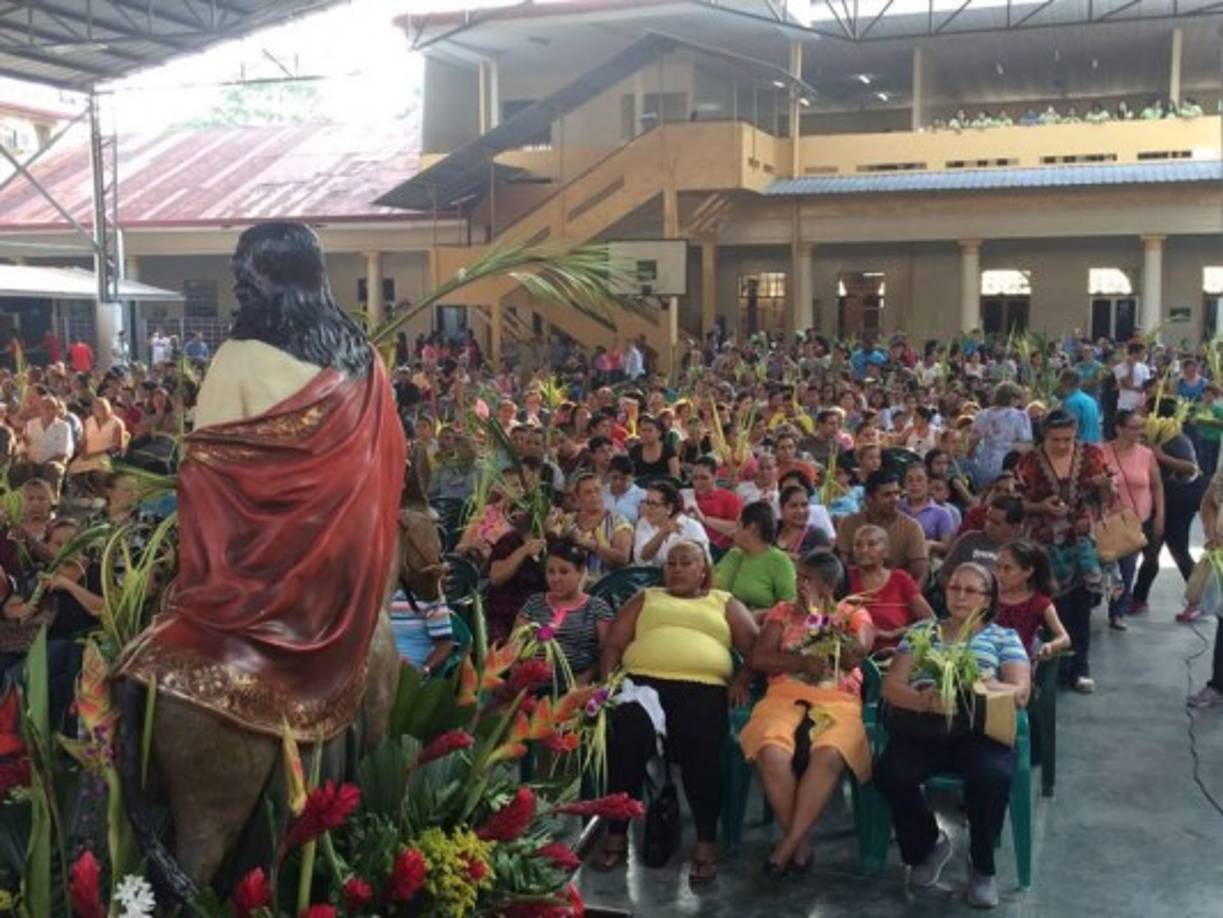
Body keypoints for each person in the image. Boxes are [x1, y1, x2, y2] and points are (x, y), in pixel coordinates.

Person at [597, 541, 758, 880]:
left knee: (701, 748)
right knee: (625, 740)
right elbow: (614, 642)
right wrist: (607, 684)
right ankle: (615, 833)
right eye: (671, 563)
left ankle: (705, 839)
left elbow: (755, 646)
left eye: (687, 562)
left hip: (702, 687)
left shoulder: (723, 602)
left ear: (703, 570)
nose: (677, 569)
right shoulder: (647, 597)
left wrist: (742, 679)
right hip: (641, 685)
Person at [874, 562, 1030, 910]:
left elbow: (1020, 693)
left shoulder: (1004, 637)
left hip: (980, 731)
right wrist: (924, 700)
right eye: (953, 588)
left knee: (991, 775)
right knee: (891, 773)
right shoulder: (923, 631)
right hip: (925, 727)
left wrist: (974, 684)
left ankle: (982, 865)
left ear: (988, 599)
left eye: (970, 590)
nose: (959, 596)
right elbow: (891, 686)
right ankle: (928, 845)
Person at [740, 550, 874, 875]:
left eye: (806, 579)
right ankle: (799, 846)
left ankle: (786, 847)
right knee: (770, 751)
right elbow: (760, 658)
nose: (798, 585)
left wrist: (826, 624)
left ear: (829, 586)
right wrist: (800, 663)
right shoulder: (783, 611)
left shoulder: (852, 612)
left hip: (838, 700)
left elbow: (859, 653)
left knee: (829, 753)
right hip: (784, 695)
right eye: (797, 578)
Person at [1015, 409, 1110, 693]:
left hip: (1079, 543)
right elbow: (1016, 502)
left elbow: (1105, 498)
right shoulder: (1029, 462)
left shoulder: (1092, 455)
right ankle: (1049, 668)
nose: (1062, 445)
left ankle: (1080, 668)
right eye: (1056, 439)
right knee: (1047, 607)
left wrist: (1104, 488)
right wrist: (1041, 507)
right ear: (1044, 436)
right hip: (1044, 546)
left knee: (1080, 609)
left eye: (1068, 439)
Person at [1135, 400, 1201, 619]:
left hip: (1178, 504)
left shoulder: (1177, 439)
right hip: (1154, 503)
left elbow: (1191, 469)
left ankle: (1197, 600)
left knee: (1179, 551)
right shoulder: (1145, 439)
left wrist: (1160, 456)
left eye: (1144, 412)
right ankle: (1138, 598)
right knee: (1151, 552)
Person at [518, 539, 614, 686]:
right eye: (551, 572)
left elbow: (607, 655)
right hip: (531, 686)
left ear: (580, 572)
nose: (556, 579)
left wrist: (586, 678)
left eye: (564, 571)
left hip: (576, 687)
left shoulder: (597, 608)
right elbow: (514, 646)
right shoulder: (534, 603)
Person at [1102, 409, 1163, 630]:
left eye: (1141, 427)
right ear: (1119, 429)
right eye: (1134, 427)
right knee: (1105, 567)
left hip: (1137, 522)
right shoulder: (1102, 452)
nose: (1140, 432)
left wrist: (1159, 516)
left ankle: (1117, 612)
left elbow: (1157, 486)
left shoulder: (1146, 454)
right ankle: (1101, 600)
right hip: (1108, 521)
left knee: (1127, 569)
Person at [847, 524, 934, 651]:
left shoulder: (900, 579)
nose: (864, 550)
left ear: (886, 552)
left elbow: (930, 621)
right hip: (853, 654)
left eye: (871, 544)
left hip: (896, 653)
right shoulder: (846, 577)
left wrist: (892, 634)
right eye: (858, 545)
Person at [835, 469, 929, 583]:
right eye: (887, 495)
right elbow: (840, 567)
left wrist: (908, 597)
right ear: (869, 499)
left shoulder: (912, 527)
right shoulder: (849, 523)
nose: (895, 499)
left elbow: (920, 572)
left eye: (897, 493)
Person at [714, 500, 797, 617]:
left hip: (760, 627)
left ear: (753, 527)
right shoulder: (735, 554)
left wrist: (759, 614)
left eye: (738, 525)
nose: (733, 530)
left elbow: (790, 605)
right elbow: (715, 586)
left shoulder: (779, 561)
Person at [994, 539, 1071, 657]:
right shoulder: (988, 595)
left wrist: (1050, 646)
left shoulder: (1039, 603)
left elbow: (1064, 638)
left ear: (1028, 572)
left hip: (1019, 663)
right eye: (998, 567)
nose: (1000, 574)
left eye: (1008, 569)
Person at [555, 471, 633, 576]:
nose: (594, 496)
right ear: (578, 497)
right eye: (588, 492)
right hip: (570, 582)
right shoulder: (568, 520)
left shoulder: (618, 521)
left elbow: (622, 560)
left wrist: (594, 546)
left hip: (604, 584)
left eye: (597, 490)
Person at [967, 382, 1032, 489]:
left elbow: (973, 441)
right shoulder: (1020, 416)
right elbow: (1026, 445)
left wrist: (970, 459)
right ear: (1012, 398)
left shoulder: (982, 414)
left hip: (985, 460)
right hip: (1009, 461)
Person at [633, 479, 709, 565]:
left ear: (669, 508)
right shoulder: (643, 523)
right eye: (647, 502)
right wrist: (662, 533)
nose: (648, 508)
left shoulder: (692, 527)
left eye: (654, 504)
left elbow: (703, 563)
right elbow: (642, 559)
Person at [688, 455, 743, 553]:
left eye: (704, 478)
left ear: (715, 475)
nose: (698, 483)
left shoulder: (729, 498)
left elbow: (739, 528)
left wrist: (705, 520)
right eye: (695, 478)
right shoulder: (685, 496)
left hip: (718, 551)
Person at [900, 464, 955, 558]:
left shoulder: (942, 513)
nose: (914, 484)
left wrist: (931, 544)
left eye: (919, 479)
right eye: (910, 480)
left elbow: (948, 545)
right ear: (905, 484)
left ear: (928, 484)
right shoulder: (897, 507)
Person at [775, 484, 833, 560]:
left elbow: (822, 567)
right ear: (782, 509)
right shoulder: (773, 529)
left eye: (804, 505)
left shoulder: (817, 535)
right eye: (794, 506)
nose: (800, 511)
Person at [628, 414, 680, 481]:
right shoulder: (634, 451)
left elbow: (675, 477)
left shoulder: (668, 451)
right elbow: (629, 477)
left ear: (659, 433)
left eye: (650, 430)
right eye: (643, 430)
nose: (646, 434)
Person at [1057, 369, 1101, 444]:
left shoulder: (1070, 403)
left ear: (1064, 383)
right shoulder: (1090, 400)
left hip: (1080, 446)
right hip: (1095, 443)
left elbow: (1068, 428)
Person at [603, 455, 646, 525]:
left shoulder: (641, 495)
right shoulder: (602, 492)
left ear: (632, 477)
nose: (618, 482)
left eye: (623, 479)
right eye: (614, 477)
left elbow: (644, 525)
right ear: (608, 475)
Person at [1113, 341, 1150, 416]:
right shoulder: (1120, 367)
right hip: (1125, 405)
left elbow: (1147, 386)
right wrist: (1131, 368)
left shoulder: (1144, 367)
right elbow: (1128, 383)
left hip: (1140, 406)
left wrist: (1130, 387)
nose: (1144, 355)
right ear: (1134, 353)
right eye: (1142, 352)